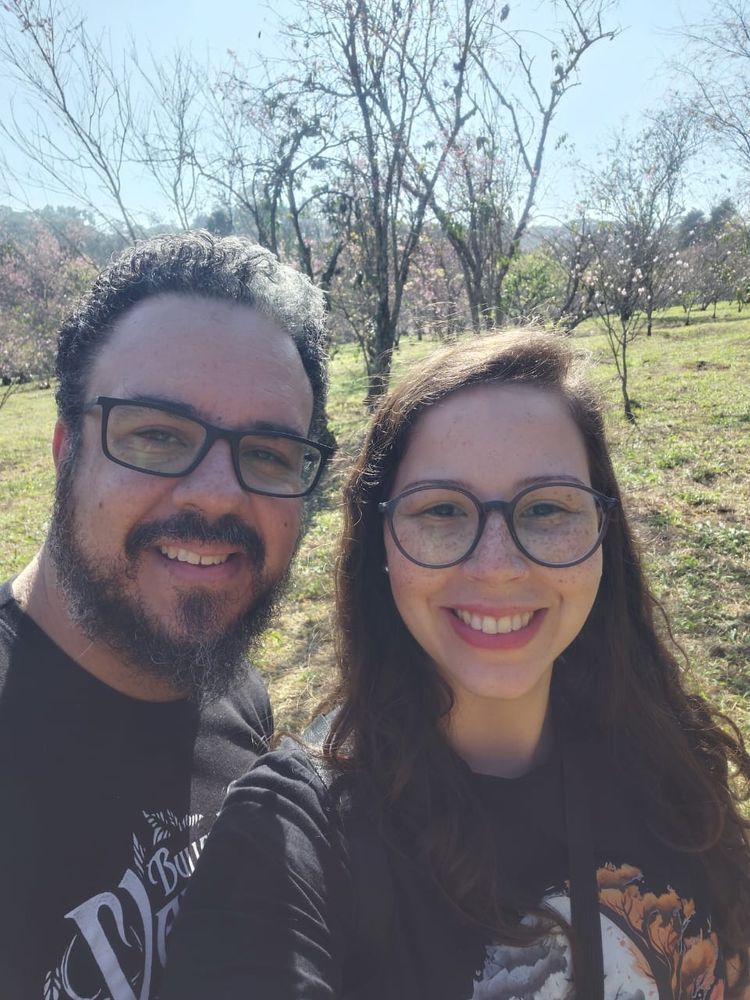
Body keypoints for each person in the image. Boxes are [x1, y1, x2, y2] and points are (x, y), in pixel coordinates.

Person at [161, 331, 750, 999]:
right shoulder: (295, 836)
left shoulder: (672, 760)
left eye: (547, 507)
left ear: (602, 534)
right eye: (441, 510)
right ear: (379, 545)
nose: (496, 566)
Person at [0, 230, 333, 999]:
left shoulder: (235, 695)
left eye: (270, 452)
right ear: (64, 451)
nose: (217, 492)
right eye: (156, 434)